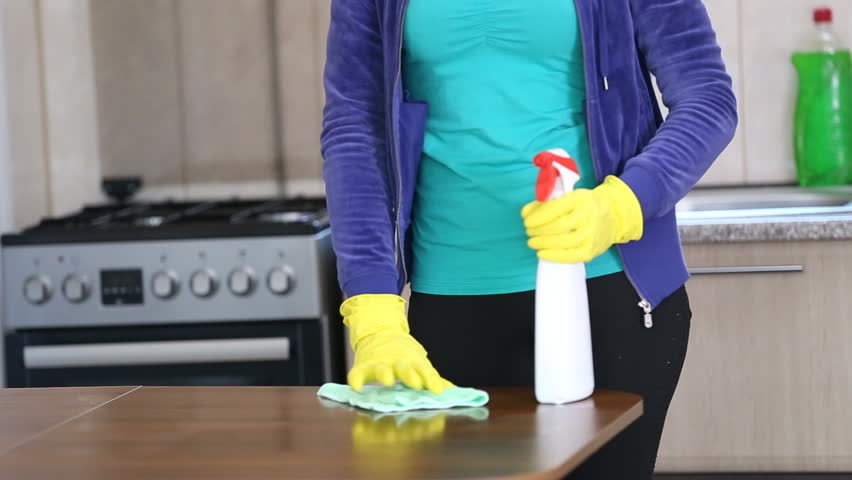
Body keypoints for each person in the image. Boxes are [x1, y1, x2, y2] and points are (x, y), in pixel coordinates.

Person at [320, 0, 737, 478]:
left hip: (608, 295)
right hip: (449, 307)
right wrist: (374, 310)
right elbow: (355, 129)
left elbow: (708, 99)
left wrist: (621, 205)